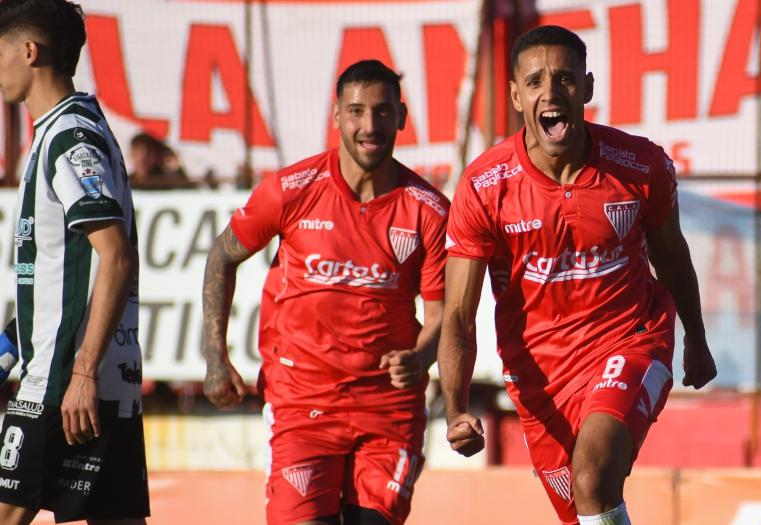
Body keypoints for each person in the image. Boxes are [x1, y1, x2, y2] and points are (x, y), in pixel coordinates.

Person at [439, 25, 717, 525]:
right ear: (516, 96)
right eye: (535, 82)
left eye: (565, 79)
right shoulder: (484, 186)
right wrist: (455, 408)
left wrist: (695, 339)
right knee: (585, 512)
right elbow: (458, 315)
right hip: (540, 378)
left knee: (592, 474)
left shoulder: (638, 165)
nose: (551, 93)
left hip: (631, 341)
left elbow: (672, 258)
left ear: (587, 88)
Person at [201, 59, 449, 525]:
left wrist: (421, 357)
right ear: (336, 117)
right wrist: (215, 356)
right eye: (356, 111)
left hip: (387, 409)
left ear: (402, 116)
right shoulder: (290, 190)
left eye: (381, 111)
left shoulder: (429, 211)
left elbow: (442, 317)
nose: (369, 125)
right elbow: (222, 256)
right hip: (300, 401)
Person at [0, 1, 149, 524]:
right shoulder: (66, 129)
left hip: (62, 384)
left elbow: (115, 254)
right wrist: (11, 342)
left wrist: (81, 371)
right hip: (97, 382)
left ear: (28, 51)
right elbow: (66, 272)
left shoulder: (70, 136)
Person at [127, 132, 194, 190]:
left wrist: (176, 168)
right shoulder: (123, 183)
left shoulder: (165, 182)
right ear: (131, 154)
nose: (142, 159)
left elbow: (189, 194)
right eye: (137, 153)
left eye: (148, 153)